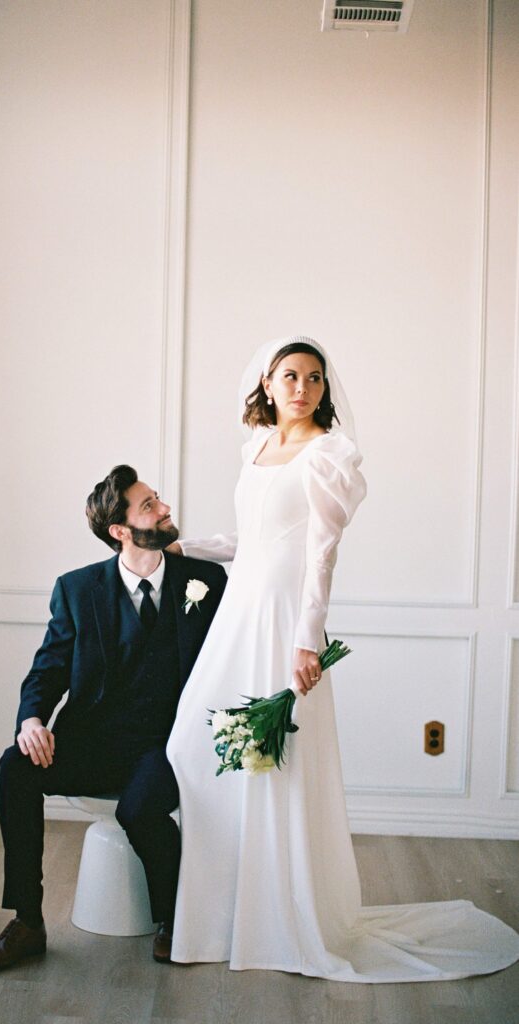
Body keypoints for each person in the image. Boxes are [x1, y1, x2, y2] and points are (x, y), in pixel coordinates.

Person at [166, 336, 519, 981]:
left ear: (324, 389)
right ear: (267, 383)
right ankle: (227, 912)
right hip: (241, 613)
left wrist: (308, 639)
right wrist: (188, 547)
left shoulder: (328, 454)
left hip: (284, 621)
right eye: (290, 376)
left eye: (314, 378)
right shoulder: (257, 447)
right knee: (196, 744)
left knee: (274, 762)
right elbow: (255, 539)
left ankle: (278, 919)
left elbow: (320, 553)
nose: (303, 388)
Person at [0, 465, 227, 972]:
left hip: (166, 747)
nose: (165, 508)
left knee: (140, 809)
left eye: (158, 499)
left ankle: (174, 918)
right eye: (149, 505)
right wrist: (31, 720)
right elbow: (48, 668)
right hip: (92, 741)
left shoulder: (205, 581)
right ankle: (27, 923)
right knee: (15, 767)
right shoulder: (77, 589)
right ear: (120, 530)